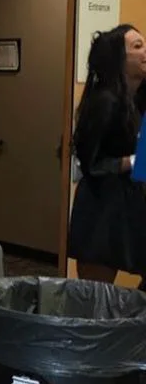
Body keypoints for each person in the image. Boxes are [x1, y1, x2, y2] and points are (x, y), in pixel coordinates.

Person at [68, 24, 146, 288]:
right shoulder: (104, 102)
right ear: (119, 59)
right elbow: (90, 165)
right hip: (101, 209)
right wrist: (131, 162)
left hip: (134, 203)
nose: (145, 51)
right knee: (95, 295)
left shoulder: (140, 100)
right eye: (138, 46)